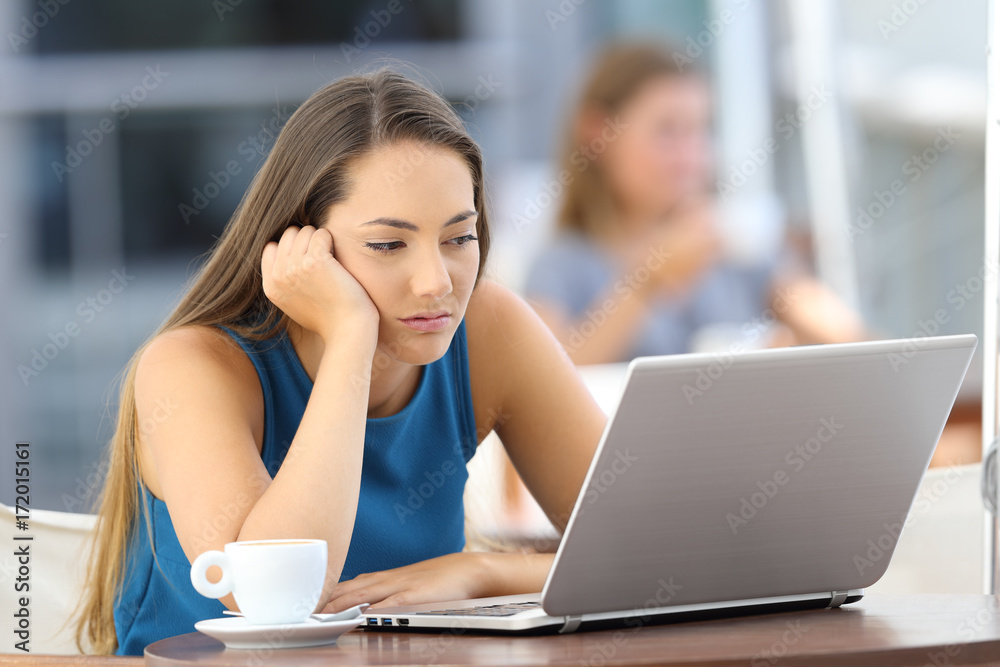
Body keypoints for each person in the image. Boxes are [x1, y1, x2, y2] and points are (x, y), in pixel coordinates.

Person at [74, 68, 606, 655]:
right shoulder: (193, 367)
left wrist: (482, 573)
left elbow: (659, 549)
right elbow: (271, 601)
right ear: (304, 246)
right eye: (386, 245)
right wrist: (352, 333)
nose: (436, 283)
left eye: (459, 238)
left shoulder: (491, 328)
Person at [523, 43, 867, 364]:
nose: (689, 155)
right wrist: (647, 282)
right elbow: (547, 378)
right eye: (667, 131)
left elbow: (854, 342)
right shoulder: (563, 265)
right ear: (597, 132)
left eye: (700, 129)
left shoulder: (736, 245)